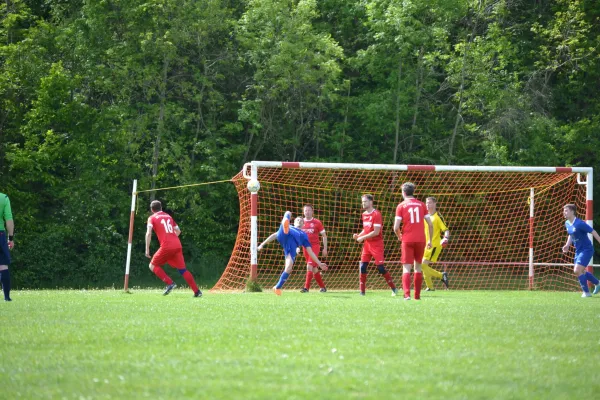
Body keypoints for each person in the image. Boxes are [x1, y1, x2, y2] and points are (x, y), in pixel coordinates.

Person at [258, 211, 327, 295]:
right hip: (284, 234)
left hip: (290, 248)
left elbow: (310, 252)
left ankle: (277, 287)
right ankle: (286, 218)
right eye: (297, 220)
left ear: (303, 225)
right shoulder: (291, 227)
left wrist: (319, 263)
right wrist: (262, 244)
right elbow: (273, 235)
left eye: (301, 221)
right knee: (287, 216)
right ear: (293, 222)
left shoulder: (304, 236)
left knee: (289, 268)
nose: (299, 221)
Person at [145, 200, 201, 297]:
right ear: (161, 207)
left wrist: (147, 249)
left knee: (152, 266)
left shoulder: (152, 218)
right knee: (183, 270)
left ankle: (170, 283)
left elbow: (149, 233)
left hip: (167, 246)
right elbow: (178, 231)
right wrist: (172, 239)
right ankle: (197, 292)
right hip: (177, 244)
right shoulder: (168, 216)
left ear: (152, 209)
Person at [393, 183, 433, 300]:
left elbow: (396, 227)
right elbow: (430, 224)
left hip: (407, 239)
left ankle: (406, 295)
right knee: (418, 267)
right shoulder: (421, 205)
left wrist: (399, 236)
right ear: (413, 191)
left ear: (403, 193)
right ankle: (417, 296)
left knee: (406, 268)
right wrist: (429, 240)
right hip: (421, 239)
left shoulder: (401, 206)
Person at [353, 194, 398, 296]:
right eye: (362, 202)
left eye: (365, 201)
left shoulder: (376, 214)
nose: (363, 203)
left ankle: (394, 289)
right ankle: (362, 292)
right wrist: (358, 235)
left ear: (371, 202)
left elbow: (376, 232)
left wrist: (362, 238)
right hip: (367, 245)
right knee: (363, 266)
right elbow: (366, 229)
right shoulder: (364, 214)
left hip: (377, 244)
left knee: (380, 268)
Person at [562, 204, 600, 297]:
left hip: (586, 249)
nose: (564, 212)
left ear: (572, 211)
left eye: (566, 210)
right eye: (564, 210)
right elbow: (571, 234)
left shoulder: (580, 223)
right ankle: (597, 283)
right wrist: (567, 245)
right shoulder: (567, 223)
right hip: (578, 251)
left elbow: (593, 231)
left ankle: (586, 293)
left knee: (577, 270)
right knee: (581, 271)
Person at [421, 197, 450, 291]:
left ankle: (441, 276)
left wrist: (445, 238)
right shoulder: (425, 215)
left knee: (422, 265)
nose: (427, 205)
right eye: (426, 203)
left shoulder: (438, 216)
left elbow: (446, 230)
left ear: (435, 204)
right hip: (425, 245)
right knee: (423, 266)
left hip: (435, 245)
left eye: (429, 203)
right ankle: (430, 286)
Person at [299, 204, 328, 293]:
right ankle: (323, 287)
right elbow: (297, 236)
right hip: (305, 248)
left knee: (309, 266)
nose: (307, 212)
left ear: (312, 211)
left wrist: (325, 248)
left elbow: (324, 236)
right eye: (305, 211)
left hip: (314, 247)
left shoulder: (317, 222)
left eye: (309, 210)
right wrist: (297, 247)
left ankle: (306, 288)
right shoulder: (300, 222)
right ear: (303, 212)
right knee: (314, 268)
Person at [0, 192, 15, 301]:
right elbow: (9, 220)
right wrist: (10, 238)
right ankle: (6, 297)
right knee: (3, 266)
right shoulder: (3, 198)